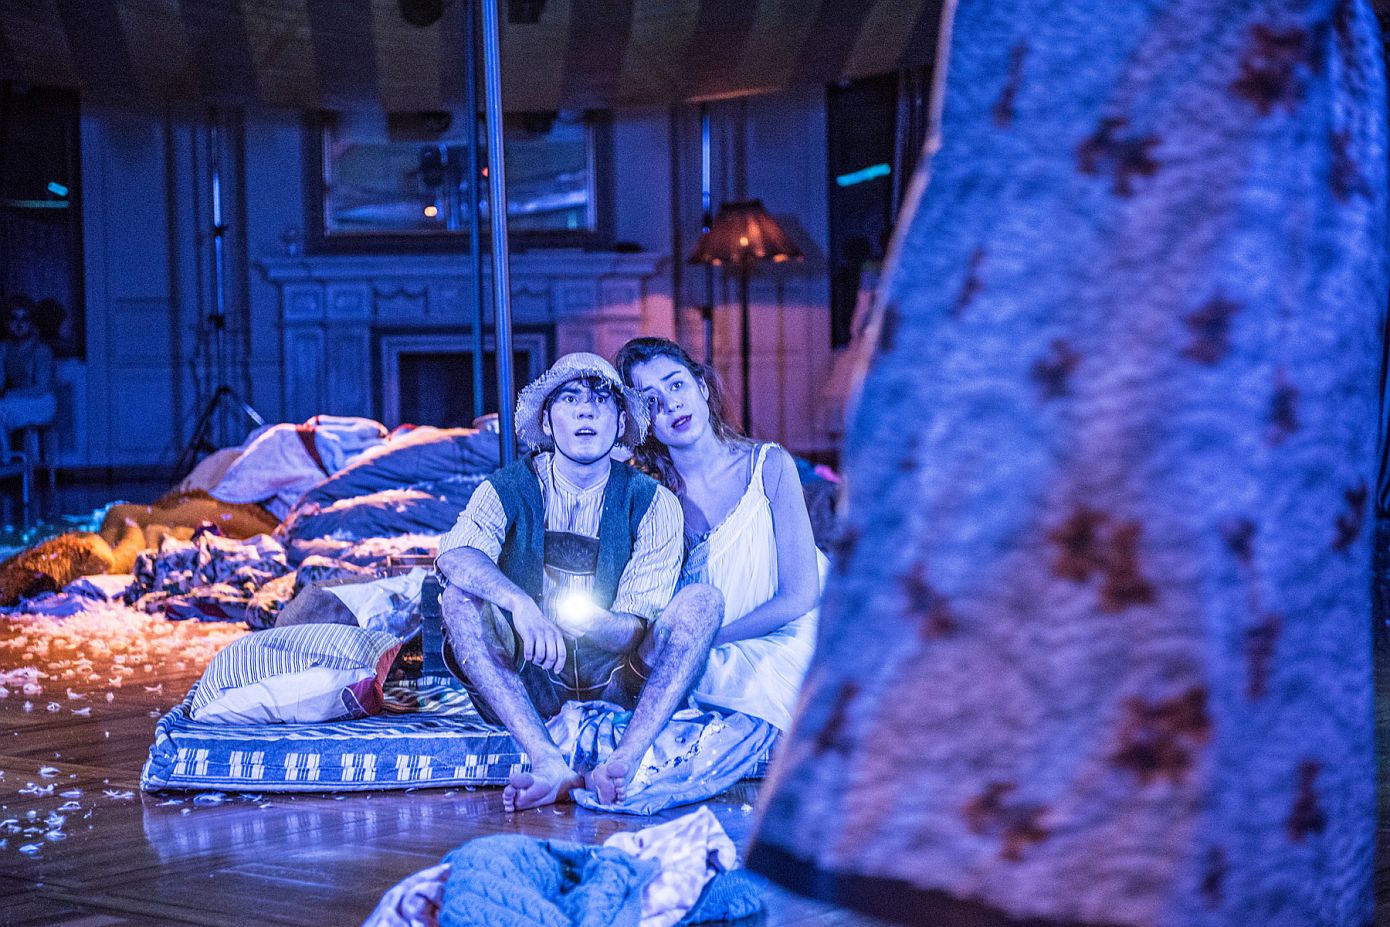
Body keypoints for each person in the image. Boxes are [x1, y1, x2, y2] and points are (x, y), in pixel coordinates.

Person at [435, 352, 722, 811]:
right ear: (547, 423)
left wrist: (587, 622)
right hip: (528, 680)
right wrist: (522, 606)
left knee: (703, 601)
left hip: (619, 682)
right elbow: (456, 554)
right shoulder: (506, 488)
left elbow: (633, 631)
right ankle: (547, 760)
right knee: (458, 599)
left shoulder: (653, 503)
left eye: (602, 400)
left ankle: (623, 762)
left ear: (621, 422)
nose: (586, 410)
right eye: (569, 399)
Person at [615, 337, 824, 732]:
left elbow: (800, 595)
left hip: (788, 635)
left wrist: (709, 643)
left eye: (676, 385)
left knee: (738, 685)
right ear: (645, 422)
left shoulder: (768, 466)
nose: (671, 404)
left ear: (702, 387)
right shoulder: (654, 499)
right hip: (701, 652)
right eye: (652, 401)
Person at [0, 294, 56, 431]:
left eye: (24, 319)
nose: (19, 324)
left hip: (41, 402)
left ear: (31, 323)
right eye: (14, 318)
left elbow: (42, 388)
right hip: (15, 400)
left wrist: (8, 394)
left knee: (2, 409)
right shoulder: (4, 348)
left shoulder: (40, 349)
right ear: (7, 322)